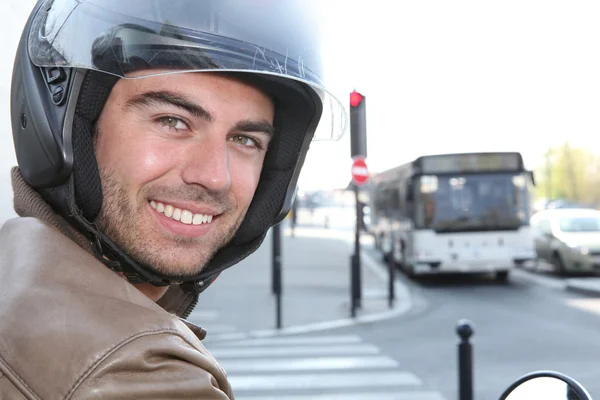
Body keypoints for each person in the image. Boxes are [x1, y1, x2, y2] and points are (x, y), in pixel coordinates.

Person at [0, 0, 345, 398]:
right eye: (172, 121)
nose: (214, 176)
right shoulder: (136, 376)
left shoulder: (14, 268)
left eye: (245, 140)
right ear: (68, 129)